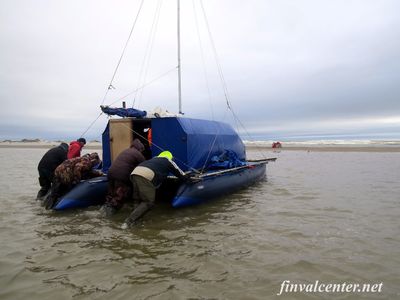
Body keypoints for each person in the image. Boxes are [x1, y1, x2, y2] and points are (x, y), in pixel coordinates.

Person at [122, 151, 192, 229]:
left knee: (137, 199)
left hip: (135, 173)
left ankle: (136, 221)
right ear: (170, 157)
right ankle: (129, 222)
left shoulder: (153, 160)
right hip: (145, 175)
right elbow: (179, 173)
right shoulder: (168, 160)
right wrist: (188, 179)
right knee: (148, 202)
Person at [101, 139, 146, 215]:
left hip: (110, 173)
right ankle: (111, 213)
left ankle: (103, 210)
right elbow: (145, 166)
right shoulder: (138, 154)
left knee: (111, 194)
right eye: (142, 150)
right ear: (140, 148)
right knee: (120, 195)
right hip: (122, 176)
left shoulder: (125, 151)